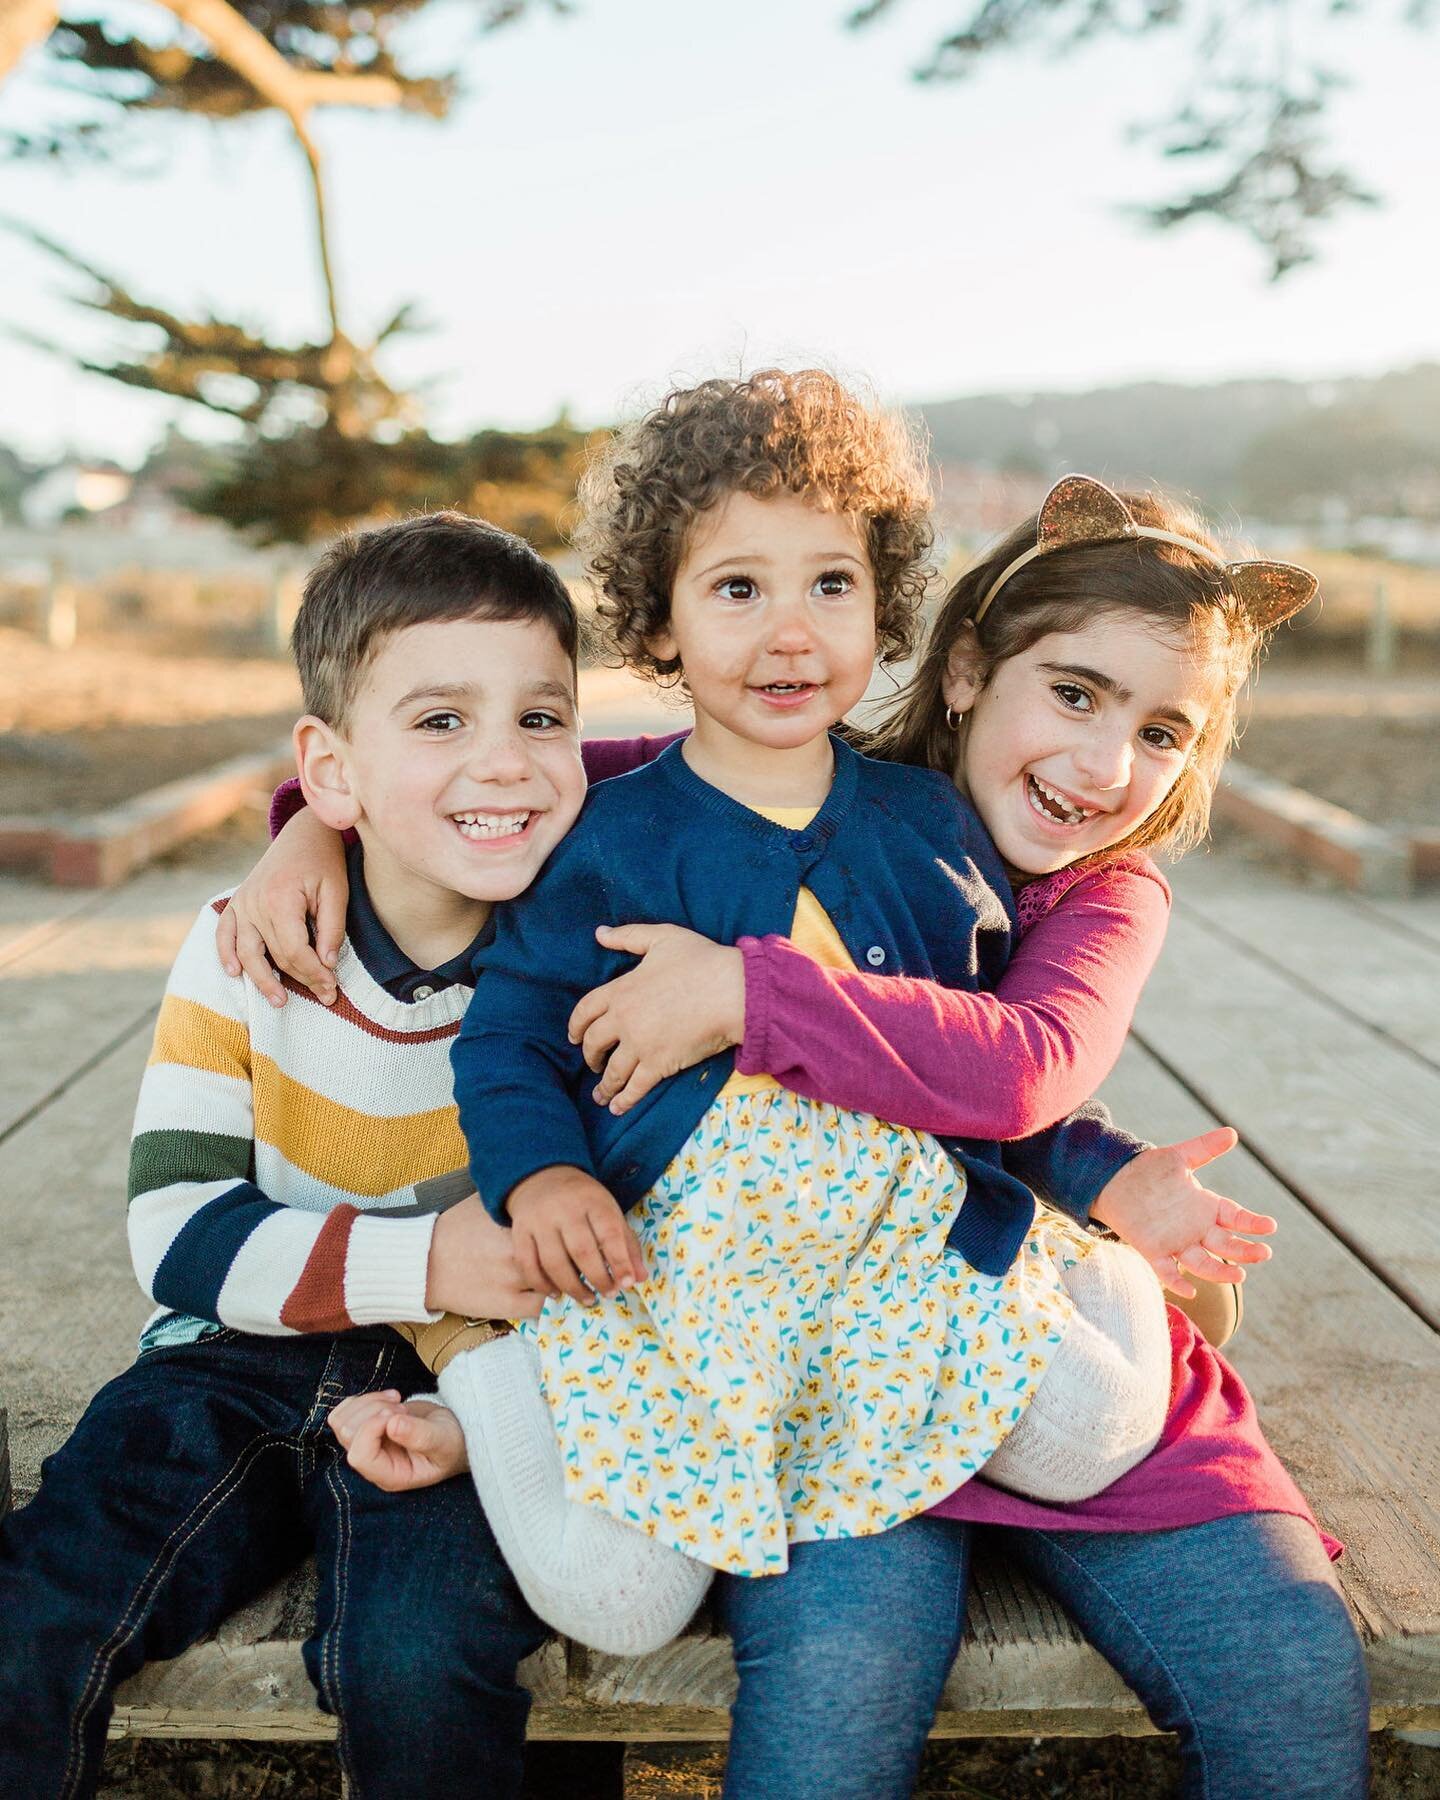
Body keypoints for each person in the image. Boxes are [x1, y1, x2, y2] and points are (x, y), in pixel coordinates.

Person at [226, 379, 1368, 1798]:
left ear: (886, 614)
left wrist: (1070, 1165)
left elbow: (1011, 1066)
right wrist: (309, 833)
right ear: (963, 671)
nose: (1099, 762)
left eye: (1161, 731)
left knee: (1207, 1579)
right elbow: (485, 811)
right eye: (1072, 693)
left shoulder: (993, 855)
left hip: (932, 1292)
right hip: (759, 1327)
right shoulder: (685, 800)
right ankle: (515, 1409)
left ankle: (1106, 1296)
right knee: (743, 1652)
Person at [0, 514, 599, 1798]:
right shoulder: (245, 952)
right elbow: (182, 1235)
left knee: (422, 1653)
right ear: (330, 772)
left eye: (542, 721)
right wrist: (435, 1254)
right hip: (230, 1361)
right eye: (441, 722)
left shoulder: (601, 974)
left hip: (475, 1389)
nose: (504, 761)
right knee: (36, 1610)